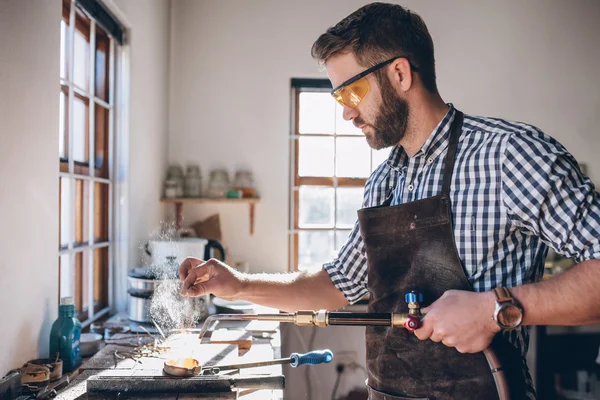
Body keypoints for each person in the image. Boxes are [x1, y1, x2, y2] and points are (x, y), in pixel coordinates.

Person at [179, 3, 600, 399]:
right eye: (338, 98)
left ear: (399, 74)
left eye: (351, 92)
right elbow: (337, 285)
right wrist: (238, 285)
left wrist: (495, 309)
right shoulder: (384, 181)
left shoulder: (509, 155)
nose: (346, 113)